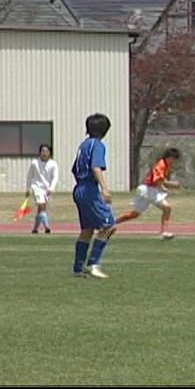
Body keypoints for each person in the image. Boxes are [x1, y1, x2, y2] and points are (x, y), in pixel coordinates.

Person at [71, 113, 117, 279]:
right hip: (90, 188)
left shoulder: (83, 145)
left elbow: (74, 169)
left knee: (87, 229)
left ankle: (77, 268)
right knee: (109, 226)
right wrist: (104, 189)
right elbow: (96, 167)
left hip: (79, 188)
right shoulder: (97, 145)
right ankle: (93, 264)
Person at [116, 148, 181, 239]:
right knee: (167, 208)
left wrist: (163, 188)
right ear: (169, 157)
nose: (174, 162)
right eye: (173, 159)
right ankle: (164, 232)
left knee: (135, 214)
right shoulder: (161, 164)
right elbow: (158, 180)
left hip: (147, 190)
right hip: (147, 190)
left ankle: (111, 223)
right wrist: (172, 184)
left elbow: (159, 181)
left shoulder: (165, 165)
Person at [25, 143, 59, 234]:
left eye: (46, 151)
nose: (44, 153)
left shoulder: (53, 164)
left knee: (40, 209)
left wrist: (51, 188)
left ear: (50, 153)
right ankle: (47, 227)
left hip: (47, 190)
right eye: (42, 151)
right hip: (37, 188)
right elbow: (29, 177)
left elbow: (55, 177)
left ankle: (35, 229)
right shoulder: (34, 163)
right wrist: (28, 189)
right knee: (41, 205)